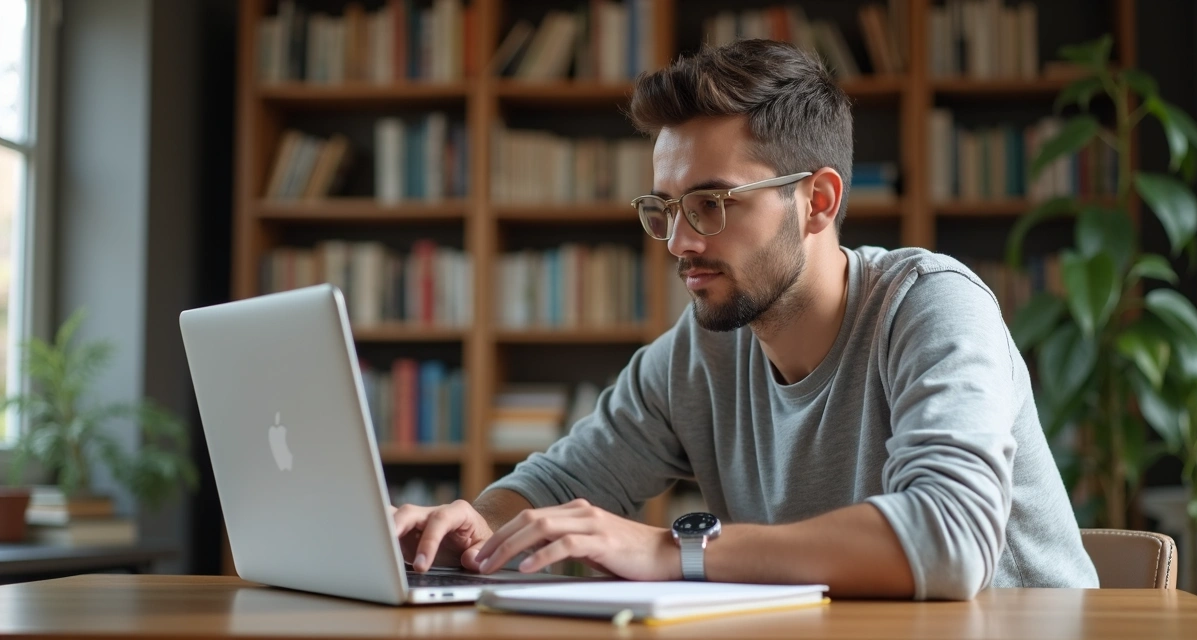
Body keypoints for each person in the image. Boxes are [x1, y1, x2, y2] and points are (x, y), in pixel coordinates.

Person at [391, 39, 1099, 600]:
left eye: (712, 204)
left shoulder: (931, 305)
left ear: (818, 202)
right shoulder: (702, 350)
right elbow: (556, 485)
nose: (679, 243)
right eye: (665, 209)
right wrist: (472, 528)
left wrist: (671, 550)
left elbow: (949, 539)